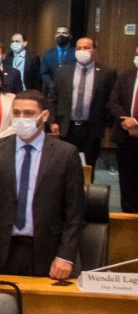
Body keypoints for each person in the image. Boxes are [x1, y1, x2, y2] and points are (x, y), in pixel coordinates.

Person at [0, 90, 84, 279]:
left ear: (44, 116)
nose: (21, 118)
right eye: (16, 113)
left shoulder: (66, 154)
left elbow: (75, 212)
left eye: (29, 114)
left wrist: (66, 255)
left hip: (47, 250)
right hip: (2, 250)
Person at [50, 37, 116, 167]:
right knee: (65, 165)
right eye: (79, 48)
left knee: (88, 166)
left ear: (94, 50)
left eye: (86, 48)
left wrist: (106, 124)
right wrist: (53, 121)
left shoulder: (107, 73)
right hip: (67, 127)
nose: (82, 51)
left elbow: (111, 100)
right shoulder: (63, 71)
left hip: (91, 128)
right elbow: (53, 97)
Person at [108, 46, 138, 213]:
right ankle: (128, 217)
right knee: (127, 182)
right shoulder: (126, 76)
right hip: (125, 137)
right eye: (137, 54)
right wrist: (127, 122)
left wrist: (136, 123)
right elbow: (113, 102)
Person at [40, 25, 73, 90]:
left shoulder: (75, 52)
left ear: (70, 36)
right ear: (55, 36)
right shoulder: (47, 53)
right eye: (58, 33)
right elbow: (44, 73)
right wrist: (52, 86)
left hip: (70, 90)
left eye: (64, 33)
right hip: (50, 91)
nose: (61, 35)